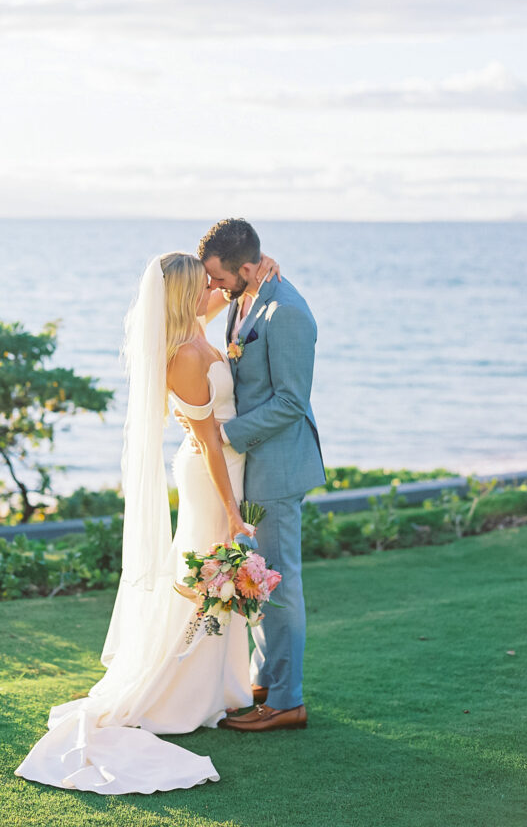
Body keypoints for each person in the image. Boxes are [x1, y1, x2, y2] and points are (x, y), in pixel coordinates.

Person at [14, 250, 276, 795]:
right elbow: (206, 443)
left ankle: (220, 687)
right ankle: (178, 691)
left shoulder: (199, 331)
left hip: (226, 468)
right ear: (184, 293)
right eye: (203, 281)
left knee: (211, 579)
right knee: (206, 574)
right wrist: (231, 510)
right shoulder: (183, 353)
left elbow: (229, 297)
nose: (213, 286)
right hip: (211, 477)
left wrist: (259, 270)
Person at [196, 218, 325, 732]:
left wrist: (226, 435)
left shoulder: (287, 311)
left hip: (277, 466)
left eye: (218, 278)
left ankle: (287, 700)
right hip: (253, 464)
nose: (213, 288)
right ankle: (266, 680)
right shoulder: (245, 293)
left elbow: (293, 401)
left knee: (281, 582)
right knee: (258, 577)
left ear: (245, 268)